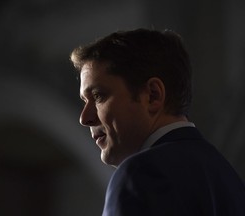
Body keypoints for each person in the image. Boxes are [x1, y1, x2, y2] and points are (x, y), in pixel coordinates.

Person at [70, 28, 245, 216]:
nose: (84, 118)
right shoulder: (226, 176)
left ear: (153, 95)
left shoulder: (139, 175)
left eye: (98, 96)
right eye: (84, 101)